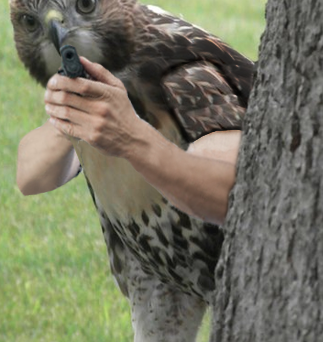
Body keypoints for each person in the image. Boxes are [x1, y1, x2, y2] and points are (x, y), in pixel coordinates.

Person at [17, 57, 241, 225]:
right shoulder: (116, 75)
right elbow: (29, 178)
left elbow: (235, 198)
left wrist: (132, 138)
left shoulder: (194, 85)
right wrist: (71, 114)